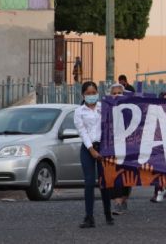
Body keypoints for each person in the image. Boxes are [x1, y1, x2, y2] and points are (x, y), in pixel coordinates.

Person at [74, 81, 113, 228]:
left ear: (97, 93)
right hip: (88, 148)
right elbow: (82, 132)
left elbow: (111, 125)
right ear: (83, 95)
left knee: (105, 182)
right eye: (88, 93)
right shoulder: (79, 112)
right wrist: (92, 150)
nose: (91, 96)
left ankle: (108, 214)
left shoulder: (104, 108)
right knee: (89, 182)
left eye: (93, 93)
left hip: (103, 147)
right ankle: (89, 217)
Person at [109, 83, 131, 215]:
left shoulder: (130, 109)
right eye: (114, 93)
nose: (117, 95)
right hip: (111, 148)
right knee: (114, 175)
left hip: (128, 147)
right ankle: (117, 202)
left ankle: (124, 199)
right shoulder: (105, 109)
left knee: (127, 175)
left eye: (119, 93)